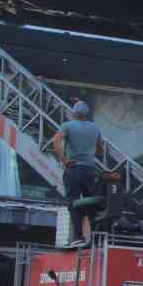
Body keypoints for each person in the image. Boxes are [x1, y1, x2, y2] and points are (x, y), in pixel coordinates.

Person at [50, 101, 102, 247]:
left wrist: (65, 160)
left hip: (74, 169)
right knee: (91, 203)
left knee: (73, 203)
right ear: (87, 115)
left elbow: (55, 142)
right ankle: (95, 237)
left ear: (74, 113)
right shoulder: (95, 128)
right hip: (90, 170)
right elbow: (100, 150)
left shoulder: (68, 126)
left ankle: (78, 236)